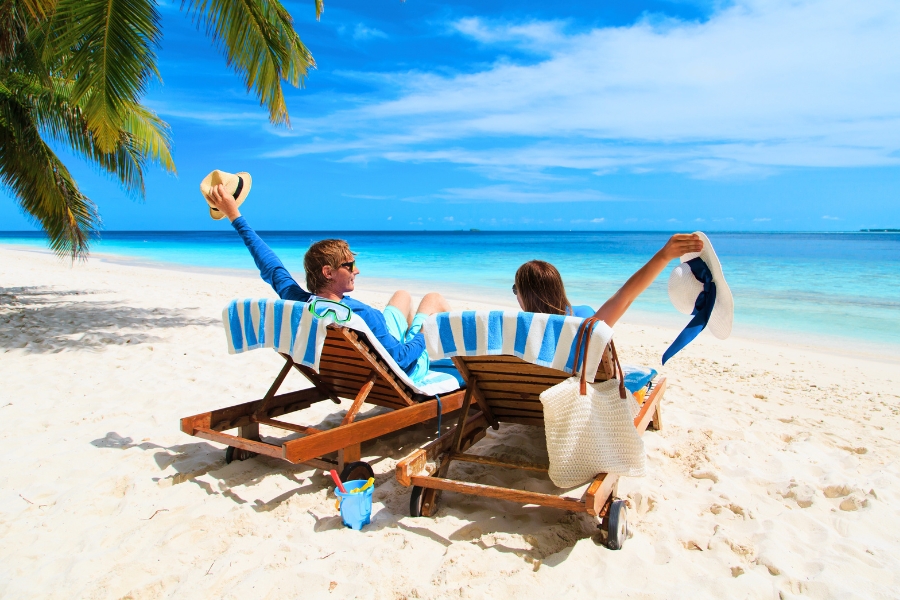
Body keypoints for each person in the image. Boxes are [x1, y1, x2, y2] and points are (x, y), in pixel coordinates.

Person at [206, 183, 450, 382]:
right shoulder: (360, 315)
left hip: (372, 351)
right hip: (403, 368)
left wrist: (234, 215)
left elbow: (270, 266)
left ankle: (418, 340)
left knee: (402, 295)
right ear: (328, 272)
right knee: (433, 300)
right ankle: (449, 361)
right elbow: (399, 358)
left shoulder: (302, 303)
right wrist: (423, 334)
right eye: (350, 265)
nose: (357, 270)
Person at [512, 234, 704, 326]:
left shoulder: (515, 329)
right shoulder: (582, 320)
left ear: (526, 296)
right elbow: (625, 297)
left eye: (515, 290)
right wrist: (664, 256)